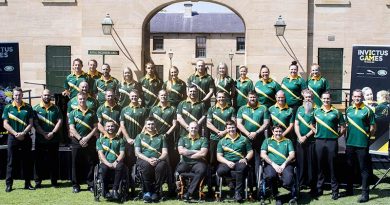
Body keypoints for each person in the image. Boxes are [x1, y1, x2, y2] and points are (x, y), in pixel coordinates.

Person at [313, 91, 345, 200]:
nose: (326, 100)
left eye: (328, 99)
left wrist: (336, 135)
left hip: (332, 141)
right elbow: (311, 124)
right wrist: (316, 132)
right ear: (321, 99)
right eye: (324, 98)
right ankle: (319, 189)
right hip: (319, 141)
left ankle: (335, 191)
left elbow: (343, 127)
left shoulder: (336, 112)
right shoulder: (316, 111)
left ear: (331, 99)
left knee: (332, 166)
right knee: (320, 166)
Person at [345, 89, 376, 203]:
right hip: (350, 143)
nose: (357, 98)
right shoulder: (348, 109)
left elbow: (373, 128)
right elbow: (346, 125)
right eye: (355, 96)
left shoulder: (368, 110)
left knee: (364, 169)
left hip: (362, 144)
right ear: (352, 97)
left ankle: (365, 194)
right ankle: (349, 190)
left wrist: (366, 137)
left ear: (362, 97)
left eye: (359, 96)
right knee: (349, 167)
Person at [2, 87, 35, 192]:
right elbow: (5, 124)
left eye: (19, 95)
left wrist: (23, 133)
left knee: (27, 161)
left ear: (22, 95)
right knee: (11, 162)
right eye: (15, 95)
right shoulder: (7, 107)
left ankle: (27, 183)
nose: (17, 97)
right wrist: (16, 133)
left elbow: (31, 123)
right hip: (12, 137)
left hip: (25, 137)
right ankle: (9, 185)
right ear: (13, 96)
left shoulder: (28, 107)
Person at [68, 92, 98, 193]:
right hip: (76, 141)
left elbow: (95, 128)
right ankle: (76, 185)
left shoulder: (92, 113)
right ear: (77, 99)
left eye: (84, 99)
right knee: (75, 163)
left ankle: (90, 184)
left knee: (90, 163)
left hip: (90, 141)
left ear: (87, 99)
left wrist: (87, 138)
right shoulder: (73, 113)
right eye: (80, 99)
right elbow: (71, 128)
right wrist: (80, 139)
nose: (82, 100)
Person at [216, 120, 254, 202]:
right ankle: (232, 183)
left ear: (236, 127)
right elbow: (218, 156)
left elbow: (250, 152)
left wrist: (245, 159)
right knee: (220, 171)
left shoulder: (244, 139)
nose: (231, 129)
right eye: (229, 128)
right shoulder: (221, 141)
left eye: (233, 127)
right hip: (226, 161)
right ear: (226, 129)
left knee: (241, 169)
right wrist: (227, 162)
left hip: (239, 161)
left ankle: (238, 192)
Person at [33, 89, 63, 188]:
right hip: (40, 140)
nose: (47, 97)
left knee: (54, 161)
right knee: (39, 162)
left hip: (53, 139)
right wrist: (44, 134)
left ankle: (54, 182)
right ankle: (38, 182)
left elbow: (59, 121)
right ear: (41, 96)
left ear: (51, 96)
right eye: (45, 95)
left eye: (48, 95)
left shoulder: (56, 108)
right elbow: (35, 124)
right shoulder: (36, 109)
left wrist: (53, 133)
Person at [237, 90, 269, 181]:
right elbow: (239, 124)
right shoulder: (242, 109)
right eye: (250, 97)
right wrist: (247, 133)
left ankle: (257, 181)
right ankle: (247, 181)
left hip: (259, 138)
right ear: (247, 98)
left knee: (258, 161)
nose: (252, 99)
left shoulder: (263, 108)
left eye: (254, 97)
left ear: (257, 97)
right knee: (246, 160)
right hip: (245, 139)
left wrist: (256, 132)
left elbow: (266, 123)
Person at [149, 89, 177, 194]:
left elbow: (174, 124)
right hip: (155, 140)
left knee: (168, 163)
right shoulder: (153, 109)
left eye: (165, 95)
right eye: (161, 95)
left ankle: (171, 185)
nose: (163, 97)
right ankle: (156, 184)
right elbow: (149, 124)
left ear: (167, 96)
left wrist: (167, 134)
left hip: (168, 139)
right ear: (158, 96)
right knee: (157, 161)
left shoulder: (172, 109)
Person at [134, 117, 168, 202]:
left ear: (155, 125)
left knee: (161, 167)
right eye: (148, 124)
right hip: (144, 160)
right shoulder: (139, 136)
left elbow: (165, 153)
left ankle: (155, 192)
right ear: (145, 125)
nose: (150, 126)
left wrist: (158, 159)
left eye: (152, 124)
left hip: (158, 160)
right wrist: (148, 160)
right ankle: (147, 192)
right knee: (146, 166)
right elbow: (137, 152)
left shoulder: (161, 137)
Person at [261, 125, 296, 205]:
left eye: (280, 131)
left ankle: (282, 197)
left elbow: (292, 155)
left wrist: (283, 165)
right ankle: (275, 194)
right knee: (270, 176)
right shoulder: (267, 141)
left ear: (282, 132)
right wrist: (274, 165)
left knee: (288, 181)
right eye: (276, 131)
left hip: (285, 165)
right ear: (273, 132)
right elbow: (263, 154)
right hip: (271, 165)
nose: (278, 133)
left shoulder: (288, 141)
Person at [120, 89, 148, 183]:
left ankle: (140, 180)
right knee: (128, 162)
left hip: (140, 141)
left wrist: (139, 138)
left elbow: (146, 125)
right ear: (129, 97)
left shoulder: (143, 110)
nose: (134, 98)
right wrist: (128, 138)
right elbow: (122, 126)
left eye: (135, 96)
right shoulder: (124, 110)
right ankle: (128, 181)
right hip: (127, 141)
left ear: (138, 97)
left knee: (140, 161)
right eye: (132, 96)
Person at [176, 121, 208, 201]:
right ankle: (180, 189)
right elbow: (181, 151)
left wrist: (188, 152)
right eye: (192, 128)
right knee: (179, 170)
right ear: (188, 128)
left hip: (198, 163)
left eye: (195, 128)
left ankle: (189, 193)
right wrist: (197, 151)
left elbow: (203, 153)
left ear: (198, 128)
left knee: (202, 170)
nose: (193, 129)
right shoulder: (182, 138)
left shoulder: (203, 139)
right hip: (185, 163)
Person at [294, 89, 316, 195]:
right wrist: (299, 136)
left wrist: (305, 137)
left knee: (311, 164)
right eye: (306, 97)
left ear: (312, 98)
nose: (308, 99)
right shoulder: (299, 109)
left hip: (311, 141)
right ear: (303, 97)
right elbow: (296, 124)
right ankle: (301, 183)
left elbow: (315, 127)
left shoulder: (316, 110)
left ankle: (311, 185)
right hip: (300, 140)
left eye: (310, 97)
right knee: (300, 163)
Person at [96, 120, 125, 200]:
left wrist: (116, 162)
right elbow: (101, 154)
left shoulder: (120, 140)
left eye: (112, 126)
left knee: (120, 167)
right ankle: (105, 190)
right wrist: (108, 163)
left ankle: (115, 190)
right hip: (105, 162)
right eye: (108, 126)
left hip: (117, 161)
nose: (110, 128)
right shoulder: (100, 140)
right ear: (105, 128)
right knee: (104, 169)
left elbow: (122, 153)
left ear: (115, 127)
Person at [207, 91, 236, 168]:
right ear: (216, 98)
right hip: (214, 138)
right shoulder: (211, 109)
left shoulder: (231, 109)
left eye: (223, 97)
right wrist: (218, 131)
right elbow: (208, 123)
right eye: (219, 97)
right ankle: (212, 178)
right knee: (212, 160)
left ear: (226, 98)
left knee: (225, 159)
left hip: (227, 138)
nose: (221, 98)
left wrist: (224, 132)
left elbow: (234, 123)